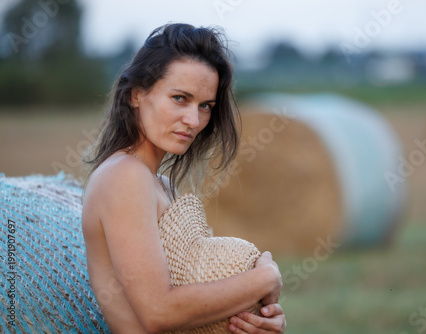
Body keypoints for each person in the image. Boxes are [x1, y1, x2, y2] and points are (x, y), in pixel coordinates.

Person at [82, 23, 286, 333]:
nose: (194, 120)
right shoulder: (124, 176)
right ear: (137, 94)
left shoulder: (161, 184)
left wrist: (261, 317)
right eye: (180, 98)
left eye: (205, 106)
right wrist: (264, 279)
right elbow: (158, 312)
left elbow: (194, 292)